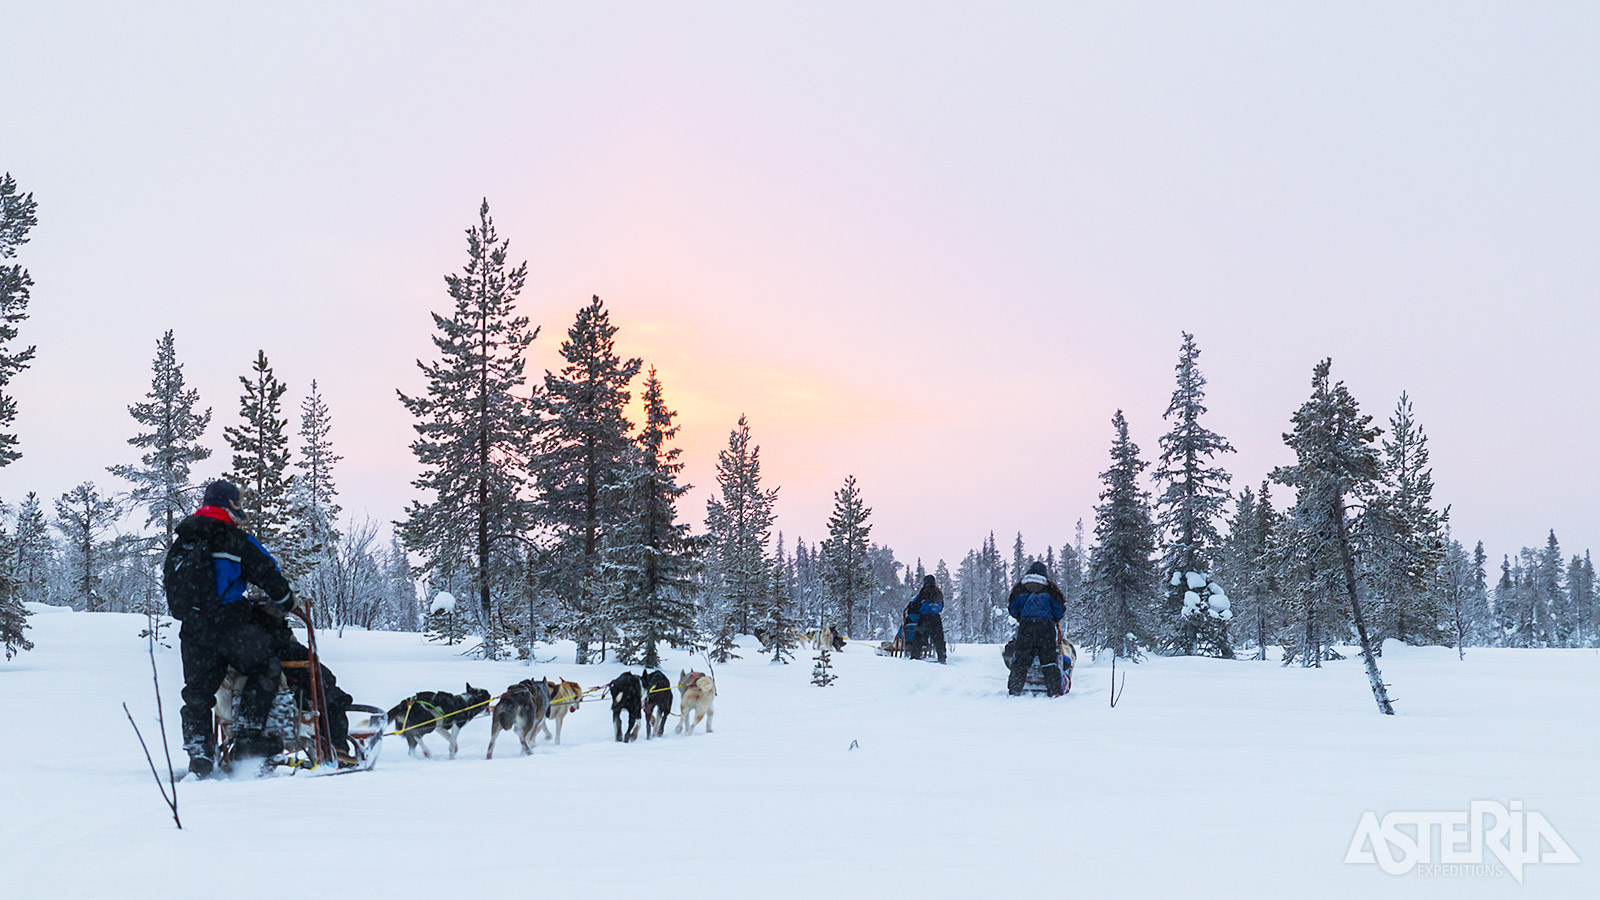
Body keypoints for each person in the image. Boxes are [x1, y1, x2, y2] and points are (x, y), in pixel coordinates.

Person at [164, 481, 298, 777]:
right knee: (266, 667)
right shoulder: (236, 540)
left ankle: (199, 752)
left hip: (193, 629)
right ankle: (249, 735)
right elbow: (270, 576)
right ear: (231, 504)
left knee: (197, 693)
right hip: (231, 625)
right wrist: (285, 601)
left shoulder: (183, 539)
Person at [1006, 561, 1065, 696]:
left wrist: (1022, 617)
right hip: (1046, 627)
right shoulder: (1050, 588)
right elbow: (1059, 610)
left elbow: (1013, 609)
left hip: (1026, 627)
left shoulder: (1020, 588)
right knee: (1049, 660)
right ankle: (1054, 690)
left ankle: (1014, 690)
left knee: (1021, 660)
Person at [908, 574, 947, 663]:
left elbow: (915, 604)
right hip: (936, 618)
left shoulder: (924, 591)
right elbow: (942, 606)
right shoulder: (938, 592)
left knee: (919, 636)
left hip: (925, 618)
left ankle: (915, 656)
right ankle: (942, 657)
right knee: (939, 638)